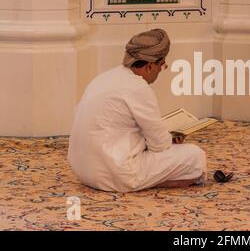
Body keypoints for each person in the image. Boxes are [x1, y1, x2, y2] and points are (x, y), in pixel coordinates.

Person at [68, 29, 207, 192]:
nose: (160, 71)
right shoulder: (138, 87)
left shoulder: (104, 78)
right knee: (195, 156)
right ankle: (148, 182)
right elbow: (160, 146)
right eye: (162, 66)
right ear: (150, 66)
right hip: (115, 172)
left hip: (82, 170)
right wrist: (171, 139)